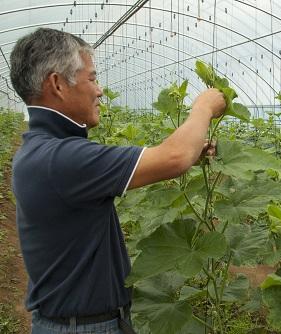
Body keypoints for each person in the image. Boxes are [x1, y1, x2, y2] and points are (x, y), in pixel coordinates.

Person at [10, 28, 226, 334]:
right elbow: (174, 157)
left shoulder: (42, 151)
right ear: (57, 84)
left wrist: (195, 150)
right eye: (92, 79)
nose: (99, 90)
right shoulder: (61, 158)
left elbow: (174, 156)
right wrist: (203, 107)